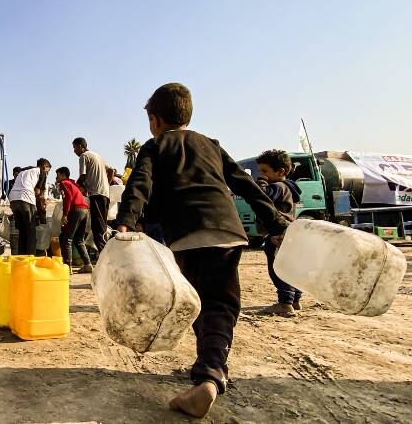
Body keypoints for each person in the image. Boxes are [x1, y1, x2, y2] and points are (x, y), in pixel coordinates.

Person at [115, 83, 287, 419]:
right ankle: (210, 369)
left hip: (187, 235)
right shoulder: (211, 145)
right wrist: (275, 220)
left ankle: (207, 376)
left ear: (154, 120)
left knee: (199, 302)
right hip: (228, 231)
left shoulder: (154, 147)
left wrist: (125, 222)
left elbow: (140, 185)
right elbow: (243, 182)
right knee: (220, 304)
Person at [255, 149, 303, 316]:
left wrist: (260, 182)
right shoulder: (288, 188)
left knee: (279, 269)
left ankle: (285, 303)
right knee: (290, 268)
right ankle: (295, 300)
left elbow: (262, 197)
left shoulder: (278, 187)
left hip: (277, 234)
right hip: (286, 233)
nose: (261, 174)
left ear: (281, 171)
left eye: (265, 171)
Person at [72, 137, 110, 253]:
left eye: (74, 148)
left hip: (96, 195)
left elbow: (82, 176)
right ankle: (108, 254)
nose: (74, 151)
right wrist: (107, 184)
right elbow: (112, 170)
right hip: (105, 194)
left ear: (80, 146)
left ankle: (105, 256)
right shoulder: (97, 156)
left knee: (97, 228)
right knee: (102, 227)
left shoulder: (84, 156)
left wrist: (74, 186)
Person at [8, 158, 51, 255]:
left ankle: (21, 257)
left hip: (13, 199)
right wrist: (41, 210)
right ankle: (30, 256)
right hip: (26, 199)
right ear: (45, 167)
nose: (48, 173)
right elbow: (37, 192)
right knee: (31, 231)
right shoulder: (41, 172)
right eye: (48, 170)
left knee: (22, 231)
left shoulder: (23, 171)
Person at [55, 167, 93, 273]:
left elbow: (68, 198)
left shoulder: (64, 183)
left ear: (63, 175)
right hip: (85, 211)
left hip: (76, 210)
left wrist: (65, 215)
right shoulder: (73, 184)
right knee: (79, 240)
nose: (56, 177)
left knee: (66, 238)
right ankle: (88, 264)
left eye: (57, 175)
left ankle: (67, 267)